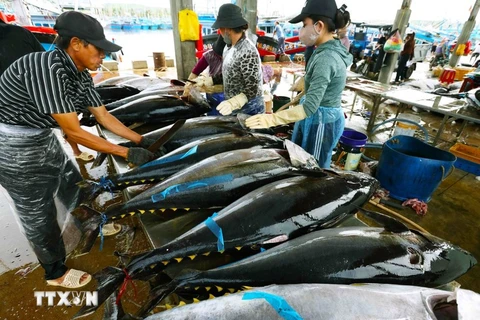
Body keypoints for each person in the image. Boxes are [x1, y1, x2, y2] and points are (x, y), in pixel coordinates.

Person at [0, 11, 155, 289]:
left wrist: (140, 141)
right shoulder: (48, 68)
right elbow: (73, 131)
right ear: (76, 44)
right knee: (38, 210)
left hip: (40, 135)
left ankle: (88, 223)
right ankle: (54, 272)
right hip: (9, 143)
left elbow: (104, 116)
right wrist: (125, 153)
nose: (103, 56)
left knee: (73, 182)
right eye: (99, 49)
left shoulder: (81, 73)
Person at [246, 0, 352, 169]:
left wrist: (272, 118)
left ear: (319, 26)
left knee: (313, 167)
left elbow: (310, 107)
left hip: (320, 122)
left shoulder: (326, 58)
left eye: (304, 24)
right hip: (315, 115)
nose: (300, 30)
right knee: (300, 161)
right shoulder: (324, 50)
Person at [211, 3, 264, 116]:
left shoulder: (247, 51)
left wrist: (234, 102)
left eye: (220, 28)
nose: (219, 32)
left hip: (250, 111)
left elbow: (254, 88)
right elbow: (230, 73)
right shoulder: (228, 47)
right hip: (234, 110)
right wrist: (210, 80)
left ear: (227, 29)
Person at [183, 36, 226, 115]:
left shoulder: (235, 57)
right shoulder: (210, 55)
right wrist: (188, 85)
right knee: (214, 113)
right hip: (212, 88)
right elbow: (195, 72)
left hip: (228, 89)